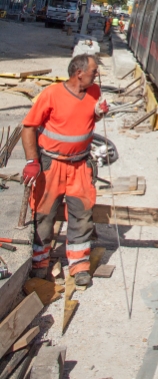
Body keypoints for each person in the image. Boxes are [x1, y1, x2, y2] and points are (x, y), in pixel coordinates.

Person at [21, 54, 109, 288]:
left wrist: (99, 113)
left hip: (80, 165)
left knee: (82, 214)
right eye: (93, 70)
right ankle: (39, 264)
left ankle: (79, 267)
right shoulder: (51, 94)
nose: (96, 74)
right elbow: (28, 128)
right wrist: (32, 161)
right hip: (52, 165)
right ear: (78, 72)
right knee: (44, 214)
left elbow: (87, 120)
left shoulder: (94, 92)